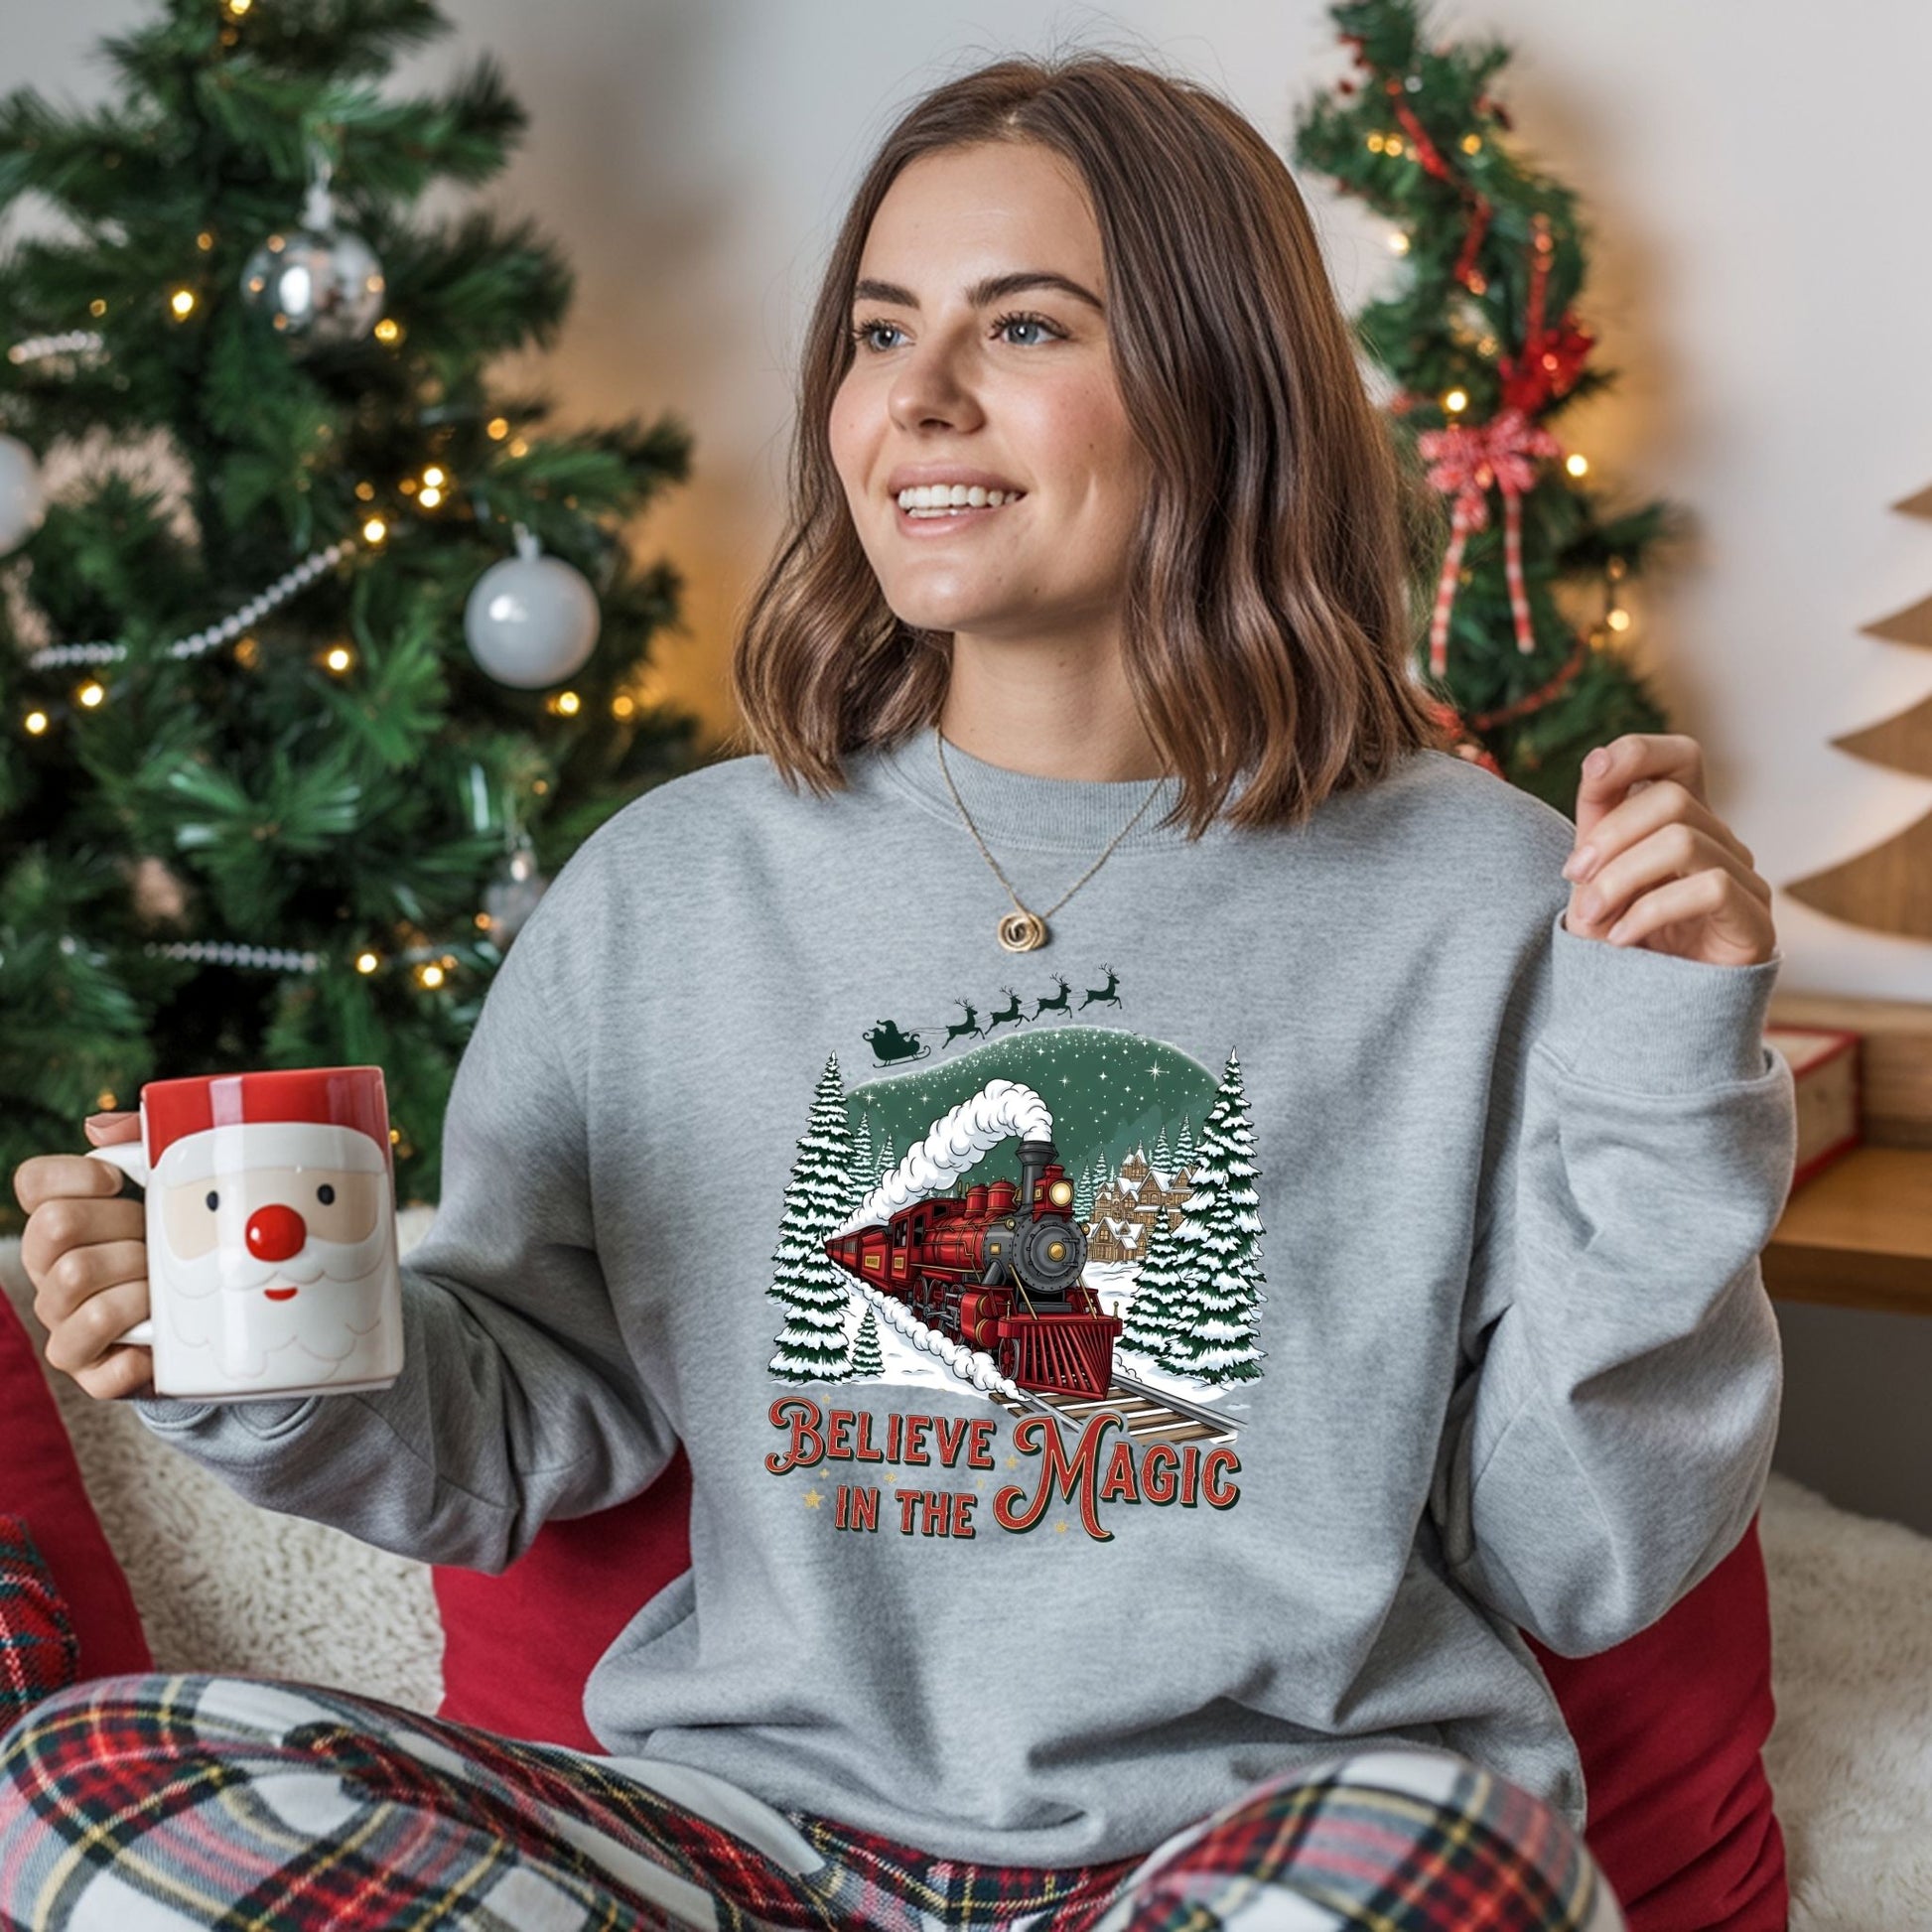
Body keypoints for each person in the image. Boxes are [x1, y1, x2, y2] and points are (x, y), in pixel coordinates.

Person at [2, 48, 1792, 1932]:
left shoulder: (1494, 891)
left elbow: (1584, 1554)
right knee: (84, 1775)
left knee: (1449, 1855)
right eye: (876, 330)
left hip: (1240, 1848)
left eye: (1019, 325)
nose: (915, 400)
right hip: (745, 1846)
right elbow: (516, 1422)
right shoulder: (671, 885)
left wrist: (1667, 1073)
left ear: (1217, 381)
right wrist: (236, 1340)